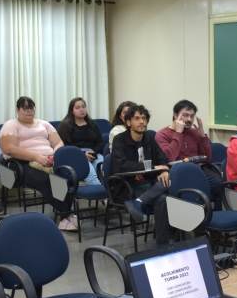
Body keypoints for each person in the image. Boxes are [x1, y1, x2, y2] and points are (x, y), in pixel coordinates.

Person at [110, 105, 171, 246]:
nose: (141, 122)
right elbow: (120, 165)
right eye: (137, 118)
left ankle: (139, 202)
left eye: (144, 118)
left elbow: (162, 159)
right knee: (162, 199)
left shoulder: (149, 138)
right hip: (129, 185)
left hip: (149, 183)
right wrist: (153, 167)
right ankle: (163, 244)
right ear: (128, 122)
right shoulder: (120, 140)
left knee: (171, 179)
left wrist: (163, 171)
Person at [0, 96, 68, 213]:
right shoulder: (11, 125)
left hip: (49, 160)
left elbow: (58, 142)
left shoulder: (44, 124)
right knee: (45, 181)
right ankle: (67, 214)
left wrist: (55, 155)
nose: (29, 111)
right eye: (25, 108)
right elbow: (9, 149)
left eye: (31, 107)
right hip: (22, 163)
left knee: (67, 177)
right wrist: (37, 157)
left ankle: (67, 214)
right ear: (17, 110)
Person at [156, 100, 222, 205]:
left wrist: (202, 137)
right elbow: (169, 158)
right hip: (176, 174)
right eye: (185, 115)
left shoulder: (194, 132)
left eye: (192, 116)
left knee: (220, 185)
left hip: (197, 172)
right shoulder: (162, 134)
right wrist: (178, 132)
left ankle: (215, 218)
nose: (189, 120)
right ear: (175, 115)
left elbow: (207, 159)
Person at [56, 97, 102, 185]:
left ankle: (112, 196)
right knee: (91, 174)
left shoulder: (93, 124)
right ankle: (103, 197)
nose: (81, 110)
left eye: (83, 107)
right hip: (76, 154)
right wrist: (82, 153)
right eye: (77, 108)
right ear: (72, 110)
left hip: (93, 152)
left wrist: (94, 151)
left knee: (105, 170)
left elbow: (100, 143)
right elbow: (63, 145)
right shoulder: (65, 125)